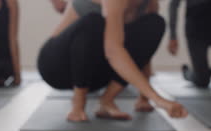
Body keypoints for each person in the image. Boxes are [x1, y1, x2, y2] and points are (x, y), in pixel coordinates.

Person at [40, 0, 188, 122]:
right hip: (56, 66)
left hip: (94, 72)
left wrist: (144, 98)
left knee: (155, 23)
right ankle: (78, 104)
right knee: (94, 21)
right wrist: (157, 98)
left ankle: (107, 100)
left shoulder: (149, 3)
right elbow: (114, 51)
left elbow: (144, 47)